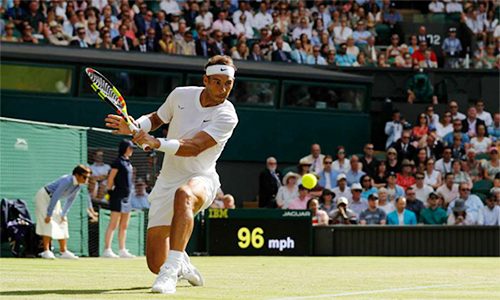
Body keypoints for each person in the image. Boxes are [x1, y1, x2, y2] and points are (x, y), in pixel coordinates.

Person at [105, 55, 239, 293]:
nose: (223, 88)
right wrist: (136, 126)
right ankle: (181, 265)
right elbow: (157, 118)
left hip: (202, 178)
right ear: (205, 80)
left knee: (184, 194)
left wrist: (156, 143)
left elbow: (195, 146)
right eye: (216, 82)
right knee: (155, 262)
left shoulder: (227, 115)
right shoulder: (180, 95)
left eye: (227, 83)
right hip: (167, 179)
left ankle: (171, 271)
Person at [35, 165, 94, 259]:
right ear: (77, 175)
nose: (86, 179)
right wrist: (49, 213)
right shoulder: (67, 180)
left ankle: (63, 251)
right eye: (84, 177)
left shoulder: (79, 185)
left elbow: (71, 199)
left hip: (54, 199)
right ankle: (46, 251)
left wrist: (64, 214)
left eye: (88, 177)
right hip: (44, 196)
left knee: (62, 222)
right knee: (47, 221)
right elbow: (55, 195)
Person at [102, 139, 137, 259]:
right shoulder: (117, 162)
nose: (132, 150)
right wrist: (110, 192)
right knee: (113, 224)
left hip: (127, 197)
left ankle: (122, 250)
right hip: (117, 196)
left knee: (124, 225)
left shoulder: (128, 163)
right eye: (130, 148)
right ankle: (107, 250)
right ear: (126, 149)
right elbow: (110, 179)